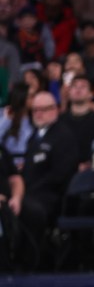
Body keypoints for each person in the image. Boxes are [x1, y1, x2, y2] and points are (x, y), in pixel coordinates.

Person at [10, 92, 77, 268]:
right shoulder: (35, 136)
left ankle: (32, 261)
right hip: (31, 193)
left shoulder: (63, 135)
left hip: (50, 197)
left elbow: (60, 174)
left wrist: (29, 190)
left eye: (44, 110)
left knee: (26, 209)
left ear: (55, 110)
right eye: (35, 110)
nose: (38, 114)